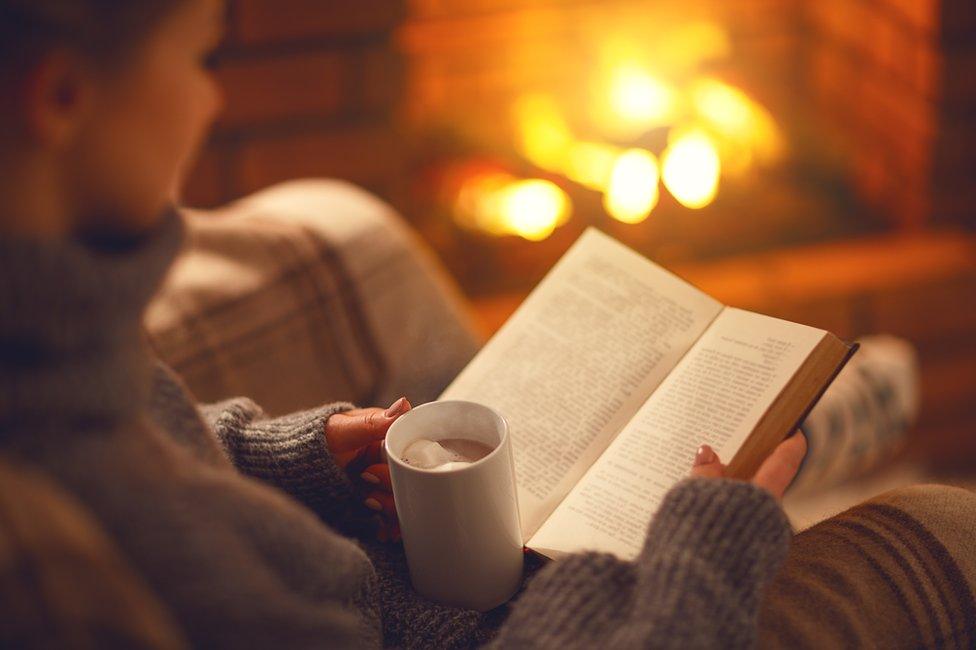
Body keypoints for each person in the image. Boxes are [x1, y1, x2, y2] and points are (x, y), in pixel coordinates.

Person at [0, 1, 972, 648]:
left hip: (409, 572)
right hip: (534, 613)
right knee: (948, 521)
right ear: (63, 97)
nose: (213, 97)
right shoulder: (51, 548)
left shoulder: (48, 342)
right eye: (197, 57)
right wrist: (703, 546)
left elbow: (163, 445)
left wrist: (301, 454)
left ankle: (807, 434)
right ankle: (807, 441)